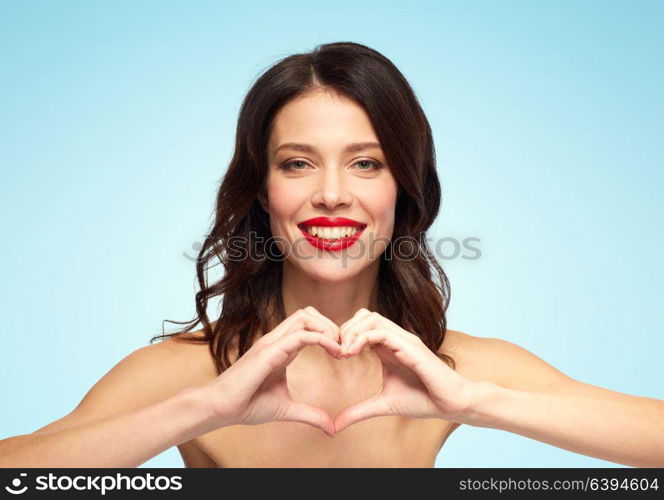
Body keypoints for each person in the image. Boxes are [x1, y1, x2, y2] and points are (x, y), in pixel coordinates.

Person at [1, 42, 662, 468]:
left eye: (366, 164)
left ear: (403, 189)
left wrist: (475, 403)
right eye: (297, 164)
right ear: (263, 191)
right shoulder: (184, 374)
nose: (331, 195)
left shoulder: (451, 369)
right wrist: (204, 408)